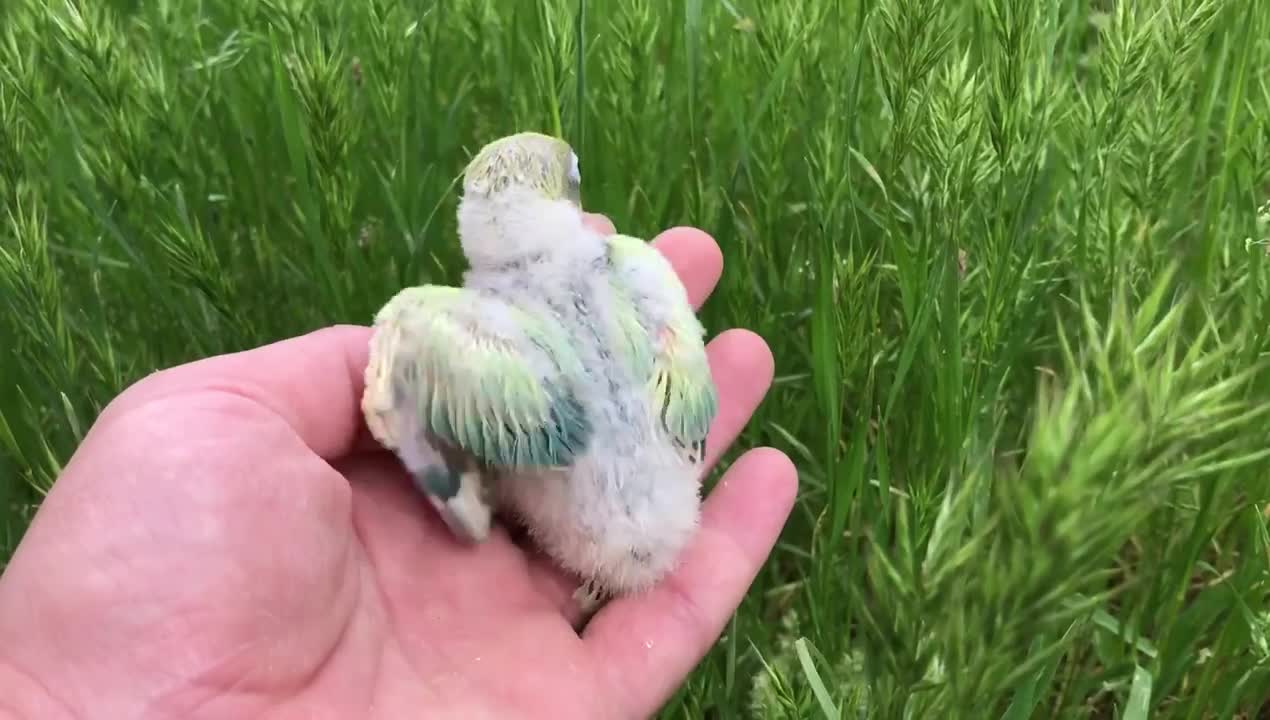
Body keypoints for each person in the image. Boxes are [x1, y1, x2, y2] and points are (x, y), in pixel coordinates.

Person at [0, 219, 797, 719]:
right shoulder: (633, 271)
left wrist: (461, 496)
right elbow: (681, 388)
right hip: (651, 519)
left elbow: (429, 406)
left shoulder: (439, 323)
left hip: (561, 526)